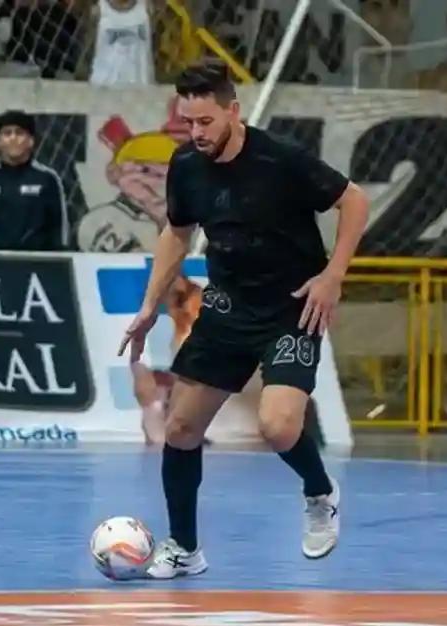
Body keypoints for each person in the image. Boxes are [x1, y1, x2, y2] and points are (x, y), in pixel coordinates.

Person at [118, 60, 370, 579]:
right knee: (181, 428)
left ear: (234, 111)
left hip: (292, 306)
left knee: (277, 426)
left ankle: (320, 492)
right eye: (188, 123)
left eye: (206, 121)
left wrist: (333, 276)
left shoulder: (281, 159)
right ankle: (185, 549)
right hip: (228, 307)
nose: (197, 133)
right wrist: (148, 307)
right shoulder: (187, 166)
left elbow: (354, 202)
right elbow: (177, 233)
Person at [0, 110, 70, 252]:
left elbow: (57, 230)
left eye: (19, 133)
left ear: (31, 141)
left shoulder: (47, 179)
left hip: (34, 263)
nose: (13, 138)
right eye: (7, 133)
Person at [133, 273, 201, 445]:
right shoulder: (153, 316)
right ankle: (159, 442)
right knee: (151, 388)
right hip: (178, 374)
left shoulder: (198, 305)